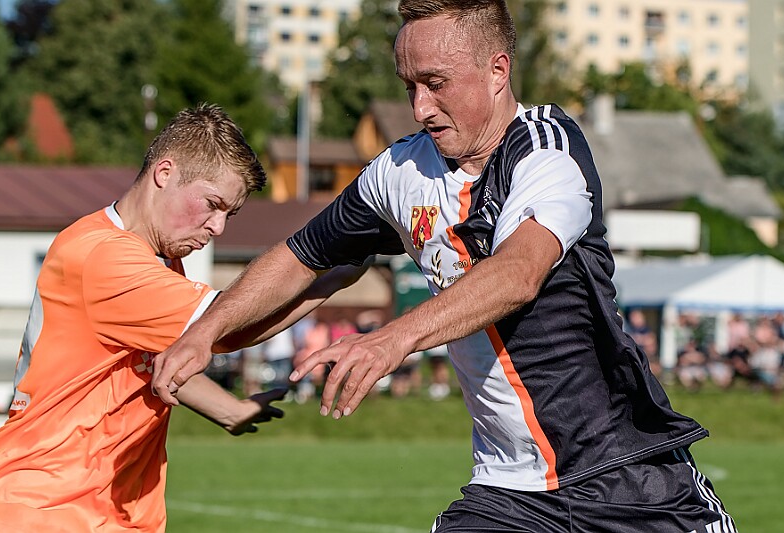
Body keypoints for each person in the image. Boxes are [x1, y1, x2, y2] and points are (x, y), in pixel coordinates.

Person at [149, 3, 736, 530]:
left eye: (435, 83)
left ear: (498, 71)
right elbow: (302, 257)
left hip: (630, 478)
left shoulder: (547, 151)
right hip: (509, 492)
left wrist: (391, 340)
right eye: (409, 86)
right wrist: (206, 335)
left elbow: (518, 274)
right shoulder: (400, 172)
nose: (420, 107)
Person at [0, 105, 362, 532]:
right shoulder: (104, 256)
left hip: (98, 507)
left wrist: (229, 410)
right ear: (164, 173)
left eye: (229, 214)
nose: (218, 228)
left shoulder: (157, 260)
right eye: (212, 205)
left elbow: (162, 359)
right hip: (43, 505)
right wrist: (331, 270)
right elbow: (225, 329)